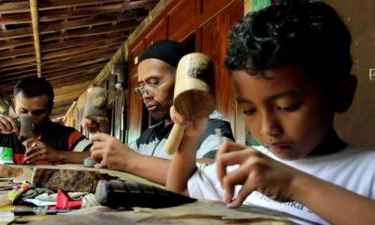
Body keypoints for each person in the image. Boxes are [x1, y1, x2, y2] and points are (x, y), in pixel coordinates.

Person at [166, 1, 375, 225]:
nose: (267, 129)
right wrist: (191, 136)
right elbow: (179, 192)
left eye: (287, 107)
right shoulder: (250, 165)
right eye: (249, 110)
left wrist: (294, 185)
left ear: (341, 94)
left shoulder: (368, 172)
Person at [85, 40, 234, 185]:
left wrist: (131, 161)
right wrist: (102, 135)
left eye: (154, 83)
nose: (146, 94)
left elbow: (215, 174)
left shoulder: (210, 125)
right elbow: (117, 156)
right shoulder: (151, 135)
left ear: (182, 80)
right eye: (142, 87)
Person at [0, 77, 91, 164]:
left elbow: (98, 157)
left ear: (49, 108)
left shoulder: (67, 135)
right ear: (15, 104)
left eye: (38, 112)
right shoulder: (0, 134)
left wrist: (58, 155)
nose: (29, 117)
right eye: (23, 111)